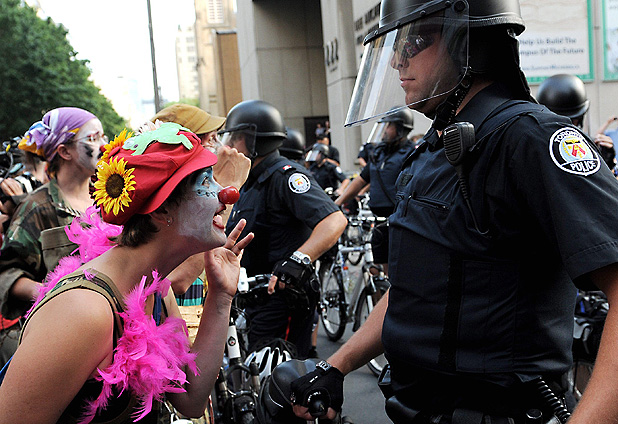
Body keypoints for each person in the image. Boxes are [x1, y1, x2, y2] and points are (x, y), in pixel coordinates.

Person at [289, 1, 618, 423]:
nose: (397, 59)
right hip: (419, 408)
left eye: (414, 42)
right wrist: (337, 365)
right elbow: (415, 289)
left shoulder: (532, 138)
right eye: (397, 45)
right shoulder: (435, 147)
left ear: (469, 43)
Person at [0, 123, 253, 422]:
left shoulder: (157, 289)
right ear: (161, 211)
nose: (227, 194)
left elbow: (191, 399)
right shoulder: (83, 311)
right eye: (206, 181)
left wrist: (220, 298)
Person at [220, 99, 347, 359]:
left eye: (236, 137)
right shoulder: (249, 180)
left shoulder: (285, 176)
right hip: (254, 297)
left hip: (281, 297)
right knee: (254, 369)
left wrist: (297, 260)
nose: (229, 145)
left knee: (280, 372)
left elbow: (334, 220)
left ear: (256, 140)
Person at [0, 107, 107, 369]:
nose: (104, 145)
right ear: (64, 151)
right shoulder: (36, 208)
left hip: (106, 341)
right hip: (59, 345)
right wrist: (52, 292)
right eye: (93, 138)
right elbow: (7, 274)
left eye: (103, 136)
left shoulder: (108, 199)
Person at [149, 103, 252, 306]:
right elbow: (177, 280)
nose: (221, 146)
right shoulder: (165, 204)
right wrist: (227, 189)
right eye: (211, 138)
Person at [334, 107, 415, 274]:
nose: (385, 130)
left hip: (400, 221)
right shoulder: (379, 153)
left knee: (401, 270)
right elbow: (361, 180)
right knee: (377, 270)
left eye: (389, 126)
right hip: (378, 222)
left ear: (400, 129)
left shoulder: (411, 154)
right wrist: (338, 203)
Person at [536, 73, 617, 170]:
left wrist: (606, 163)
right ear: (580, 116)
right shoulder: (585, 145)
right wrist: (604, 167)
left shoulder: (530, 145)